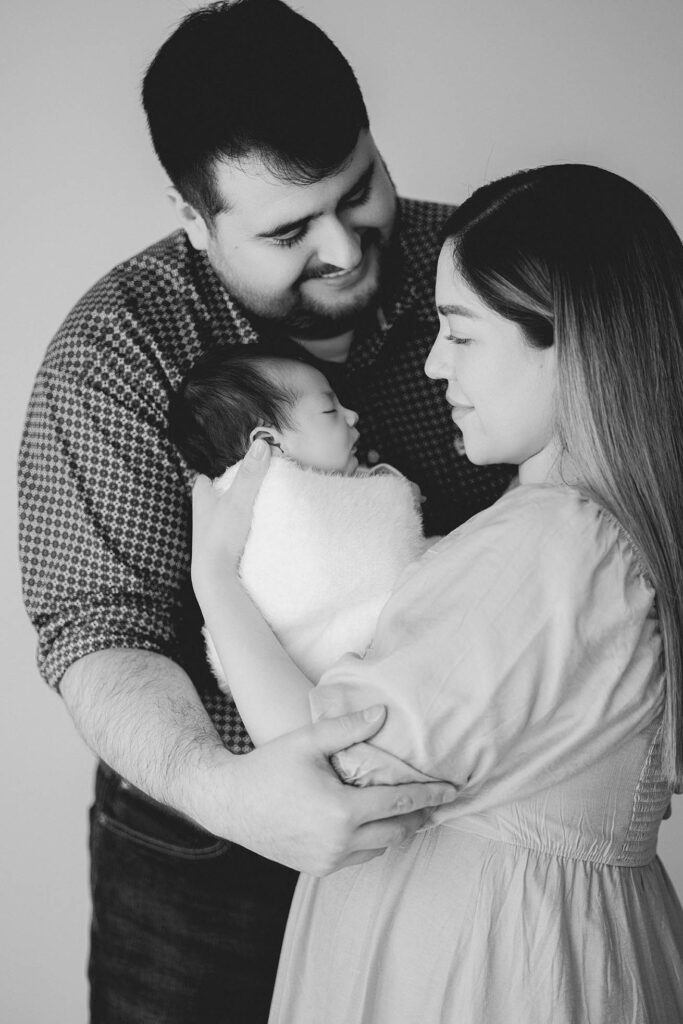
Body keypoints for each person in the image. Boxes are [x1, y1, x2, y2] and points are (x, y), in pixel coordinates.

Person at [18, 1, 511, 1020]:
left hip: (468, 822)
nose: (340, 247)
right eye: (288, 228)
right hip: (205, 845)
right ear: (193, 219)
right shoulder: (115, 355)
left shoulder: (483, 269)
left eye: (357, 189)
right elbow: (97, 628)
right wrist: (222, 787)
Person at [191, 163, 683, 1023]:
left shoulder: (553, 542)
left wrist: (216, 580)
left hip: (479, 971)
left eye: (458, 333)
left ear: (571, 340)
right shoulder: (603, 532)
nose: (429, 363)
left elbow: (330, 771)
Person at [170, 347, 429, 695]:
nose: (351, 416)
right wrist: (398, 498)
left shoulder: (320, 489)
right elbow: (376, 550)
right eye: (329, 409)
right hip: (327, 672)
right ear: (267, 443)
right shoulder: (272, 500)